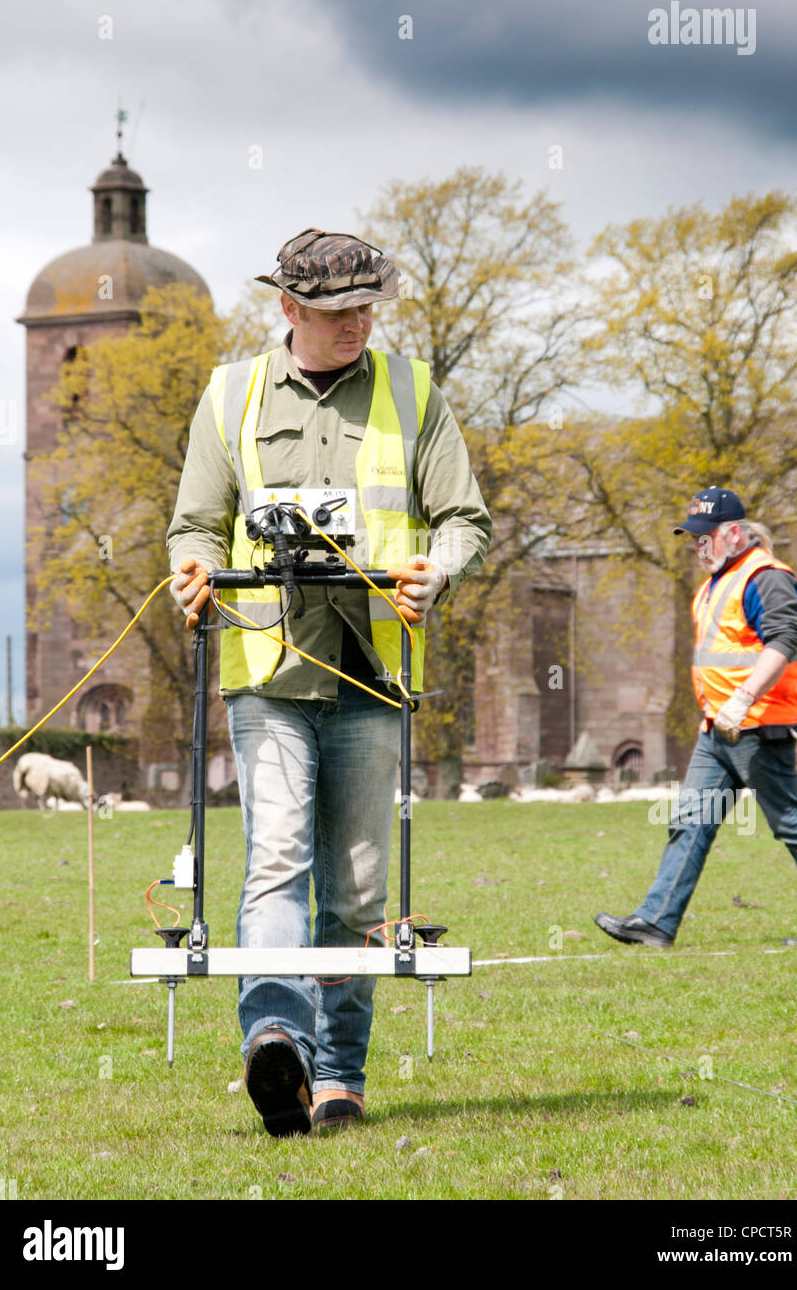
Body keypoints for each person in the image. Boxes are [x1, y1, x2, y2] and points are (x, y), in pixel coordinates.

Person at [167, 229, 491, 1135]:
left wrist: (439, 566)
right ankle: (276, 1041)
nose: (356, 324)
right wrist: (192, 574)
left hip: (371, 669)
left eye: (366, 308)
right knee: (275, 857)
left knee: (352, 889)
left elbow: (465, 517)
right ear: (288, 309)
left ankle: (341, 1073)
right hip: (266, 667)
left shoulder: (413, 391)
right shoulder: (228, 394)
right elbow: (193, 525)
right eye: (337, 311)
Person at [595, 486, 797, 950]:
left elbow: (784, 641)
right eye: (692, 538)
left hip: (759, 724)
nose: (697, 546)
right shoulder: (715, 583)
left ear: (732, 533)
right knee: (690, 821)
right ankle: (656, 922)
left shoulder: (765, 577)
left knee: (791, 821)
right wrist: (713, 709)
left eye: (704, 537)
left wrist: (742, 699)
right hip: (718, 727)